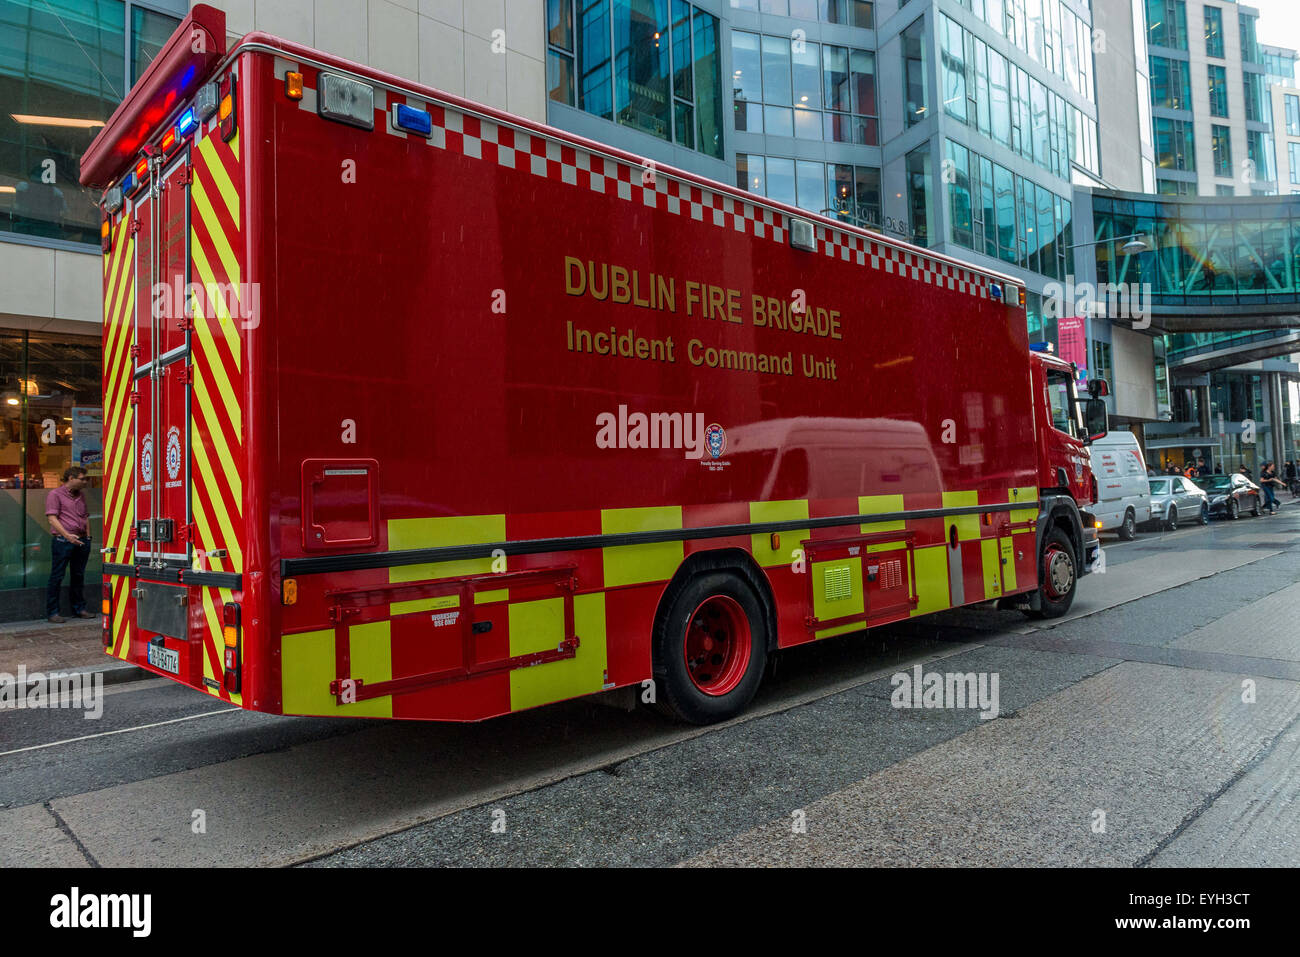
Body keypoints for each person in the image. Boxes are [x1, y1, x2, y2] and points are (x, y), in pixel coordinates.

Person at [45, 466, 93, 623]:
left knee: (78, 575)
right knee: (57, 576)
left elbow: (85, 516)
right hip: (62, 541)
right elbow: (52, 518)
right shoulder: (55, 494)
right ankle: (53, 613)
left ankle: (79, 609)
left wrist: (88, 537)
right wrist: (67, 536)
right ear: (71, 478)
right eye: (82, 478)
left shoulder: (81, 496)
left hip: (81, 541)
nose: (85, 481)